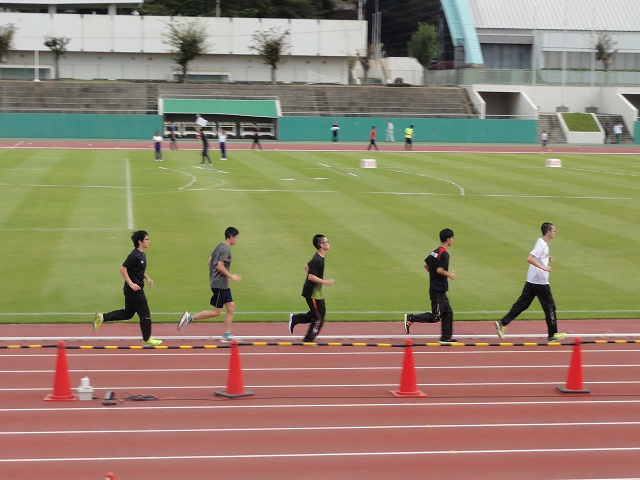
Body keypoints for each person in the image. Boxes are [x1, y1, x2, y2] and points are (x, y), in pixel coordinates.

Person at [495, 222, 566, 343]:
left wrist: (546, 258)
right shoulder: (542, 245)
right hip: (540, 281)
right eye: (553, 231)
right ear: (547, 232)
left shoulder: (541, 242)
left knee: (522, 304)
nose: (555, 233)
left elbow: (538, 256)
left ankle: (502, 323)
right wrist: (544, 268)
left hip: (532, 279)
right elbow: (529, 258)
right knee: (550, 307)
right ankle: (553, 334)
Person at [93, 230, 162, 347]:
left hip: (134, 289)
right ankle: (147, 339)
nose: (149, 241)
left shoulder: (142, 255)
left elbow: (139, 270)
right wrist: (131, 283)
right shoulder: (134, 255)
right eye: (147, 239)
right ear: (140, 241)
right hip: (134, 290)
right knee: (145, 313)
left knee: (128, 314)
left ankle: (101, 317)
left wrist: (147, 278)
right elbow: (122, 269)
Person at [177, 227, 242, 343]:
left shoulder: (219, 246)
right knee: (217, 312)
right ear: (231, 237)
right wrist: (231, 276)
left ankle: (227, 335)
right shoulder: (226, 249)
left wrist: (219, 276)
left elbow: (209, 262)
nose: (237, 240)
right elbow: (220, 266)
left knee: (230, 308)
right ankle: (189, 318)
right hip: (220, 285)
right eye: (236, 237)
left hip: (218, 283)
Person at [403, 228, 457, 345]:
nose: (453, 240)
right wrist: (450, 275)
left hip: (437, 288)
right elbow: (439, 269)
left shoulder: (435, 251)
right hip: (438, 289)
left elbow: (426, 266)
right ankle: (411, 318)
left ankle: (446, 337)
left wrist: (434, 276)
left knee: (448, 312)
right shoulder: (444, 254)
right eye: (452, 238)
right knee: (436, 316)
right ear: (448, 239)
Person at [289, 234, 334, 343]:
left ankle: (295, 319)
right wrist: (326, 282)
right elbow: (310, 276)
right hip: (312, 293)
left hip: (317, 292)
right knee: (318, 318)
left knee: (319, 313)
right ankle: (308, 339)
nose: (328, 243)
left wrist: (319, 277)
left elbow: (307, 268)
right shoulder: (317, 259)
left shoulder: (320, 258)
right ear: (321, 245)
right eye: (326, 242)